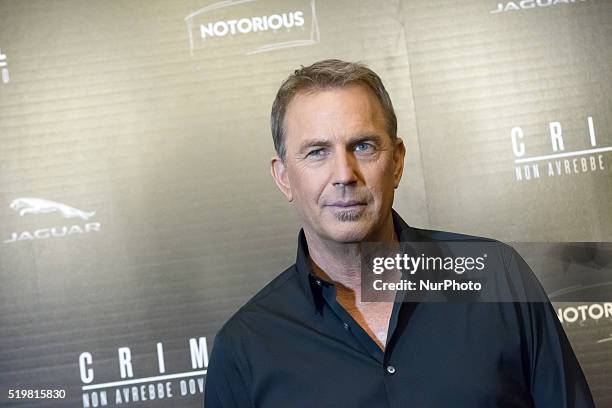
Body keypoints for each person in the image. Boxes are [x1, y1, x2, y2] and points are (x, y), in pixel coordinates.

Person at [204, 59, 595, 407]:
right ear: (284, 177)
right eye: (317, 152)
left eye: (363, 146)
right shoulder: (243, 349)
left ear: (397, 162)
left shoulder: (496, 277)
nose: (343, 175)